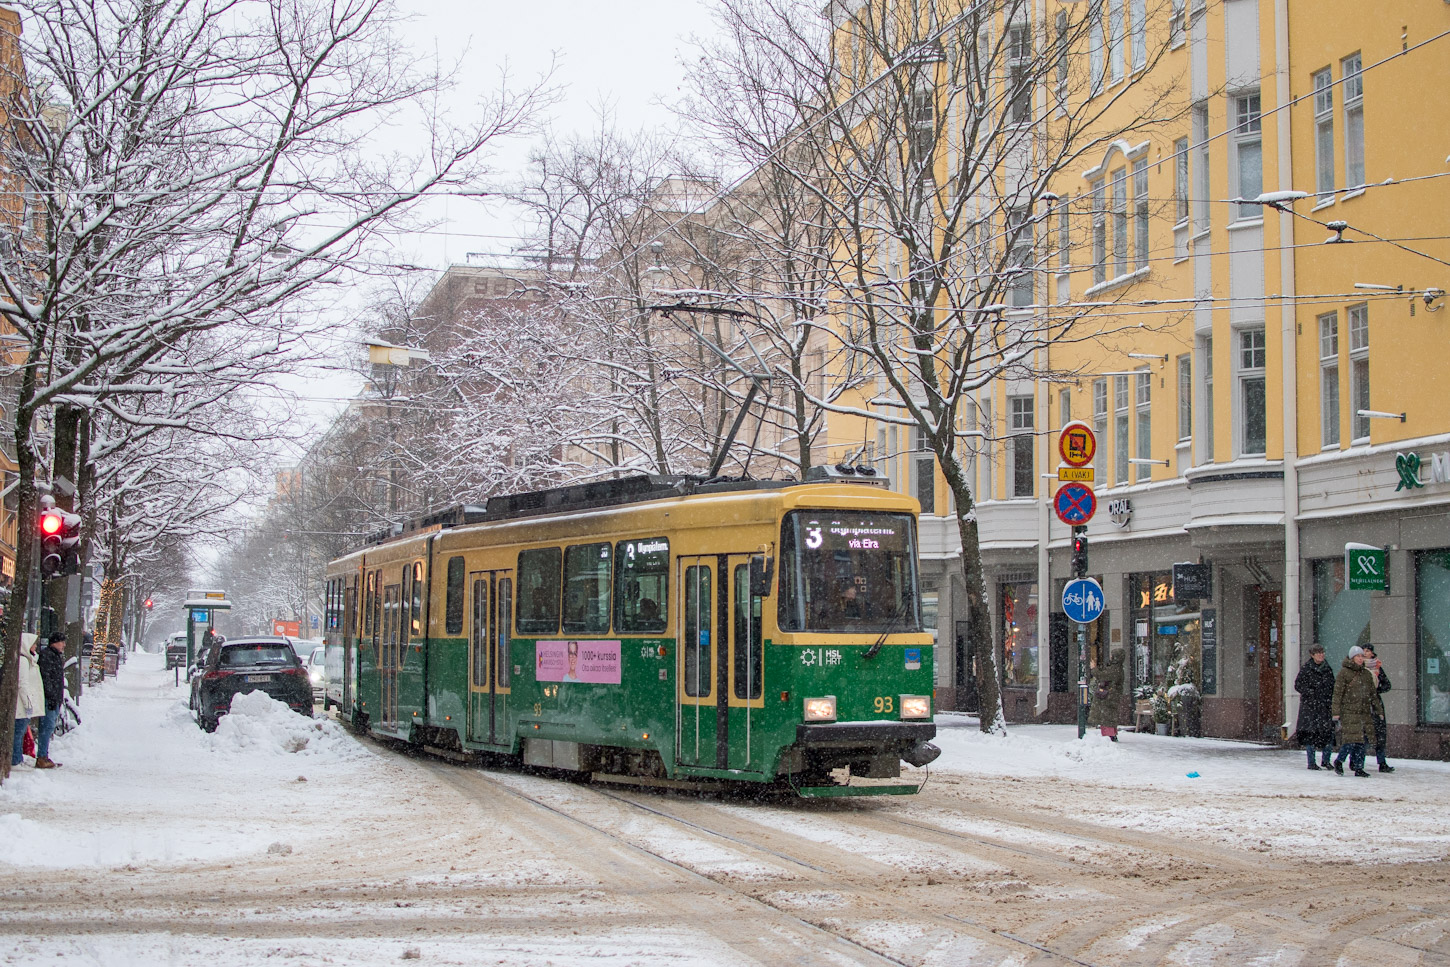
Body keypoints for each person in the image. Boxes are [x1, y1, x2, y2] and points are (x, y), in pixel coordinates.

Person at [1331, 645, 1376, 777]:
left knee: (1361, 742)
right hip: (1349, 711)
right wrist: (1336, 712)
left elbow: (1372, 694)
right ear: (1352, 658)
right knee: (1351, 740)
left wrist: (1378, 710)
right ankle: (1340, 760)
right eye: (1357, 656)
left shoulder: (1366, 674)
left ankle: (1359, 767)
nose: (1360, 659)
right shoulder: (1344, 673)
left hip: (1363, 712)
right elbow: (1337, 694)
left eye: (1362, 656)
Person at [1295, 644, 1336, 770]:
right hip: (1310, 707)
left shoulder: (1327, 669)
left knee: (1328, 734)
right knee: (1311, 734)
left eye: (1322, 652)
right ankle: (1311, 762)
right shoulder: (1307, 669)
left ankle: (1326, 760)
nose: (1321, 655)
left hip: (1325, 705)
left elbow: (1332, 685)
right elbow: (1298, 685)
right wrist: (1310, 692)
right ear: (1312, 655)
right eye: (1318, 653)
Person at [35, 632, 66, 769]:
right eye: (62, 642)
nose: (64, 645)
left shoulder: (54, 656)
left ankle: (44, 755)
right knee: (46, 727)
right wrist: (52, 696)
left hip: (54, 697)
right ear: (55, 642)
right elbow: (47, 678)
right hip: (50, 698)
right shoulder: (48, 656)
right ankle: (42, 756)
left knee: (48, 727)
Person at [1362, 643, 1394, 773]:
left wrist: (1376, 690)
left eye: (1368, 651)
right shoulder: (1358, 667)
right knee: (1363, 735)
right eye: (1363, 650)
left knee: (1379, 734)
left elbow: (1387, 685)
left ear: (1372, 653)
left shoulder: (1378, 667)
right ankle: (1358, 762)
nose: (1365, 653)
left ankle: (1382, 762)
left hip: (1375, 704)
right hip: (1362, 703)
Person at [11, 633, 42, 767]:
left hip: (22, 705)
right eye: (33, 644)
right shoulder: (23, 661)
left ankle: (16, 759)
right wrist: (28, 704)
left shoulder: (25, 659)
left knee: (19, 733)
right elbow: (22, 684)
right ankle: (15, 760)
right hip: (21, 707)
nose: (35, 646)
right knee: (18, 734)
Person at [1087, 648, 1125, 741]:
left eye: (1112, 655)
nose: (1110, 657)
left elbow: (1102, 675)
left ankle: (1109, 736)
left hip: (1109, 697)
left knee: (1107, 717)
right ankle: (1111, 734)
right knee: (1109, 716)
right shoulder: (1117, 668)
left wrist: (1094, 668)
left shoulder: (1115, 669)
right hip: (1111, 696)